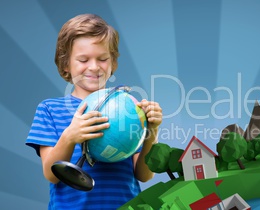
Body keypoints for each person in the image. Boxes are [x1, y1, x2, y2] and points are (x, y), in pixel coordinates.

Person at [25, 14, 162, 209]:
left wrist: (151, 131)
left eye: (103, 59)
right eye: (83, 59)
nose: (94, 66)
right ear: (66, 64)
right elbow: (51, 174)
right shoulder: (49, 109)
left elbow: (145, 175)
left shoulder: (129, 108)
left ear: (113, 62)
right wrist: (69, 137)